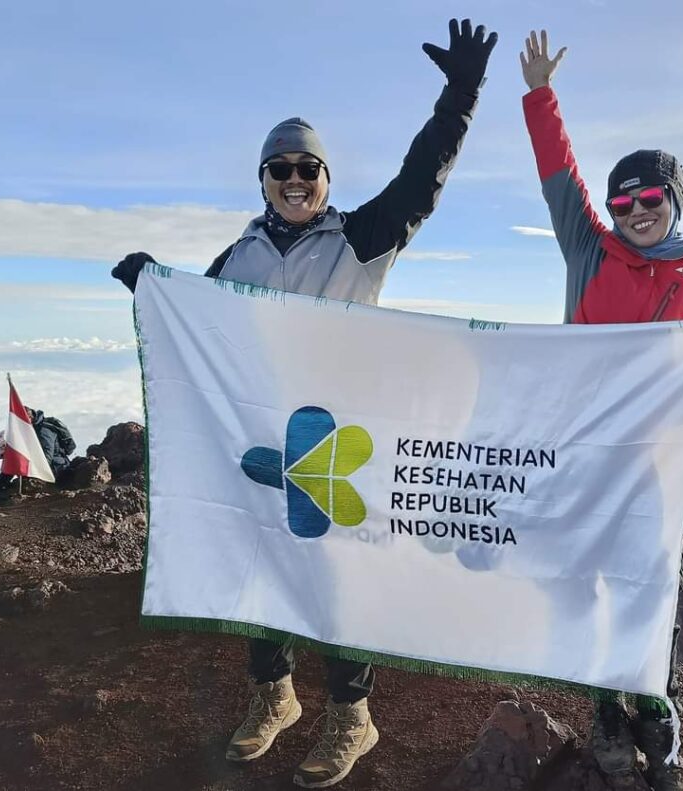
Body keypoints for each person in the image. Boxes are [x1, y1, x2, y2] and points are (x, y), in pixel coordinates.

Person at [112, 18, 497, 789]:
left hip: (336, 444)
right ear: (262, 179)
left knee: (335, 577)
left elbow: (421, 179)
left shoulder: (360, 238)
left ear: (326, 178)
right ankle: (274, 697)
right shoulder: (239, 255)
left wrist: (459, 97)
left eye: (308, 168)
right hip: (262, 442)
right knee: (261, 567)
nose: (294, 179)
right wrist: (155, 283)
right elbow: (203, 323)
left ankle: (354, 713)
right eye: (280, 168)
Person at [519, 30, 683, 791]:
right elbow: (558, 175)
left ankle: (661, 743)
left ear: (674, 202)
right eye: (622, 198)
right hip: (585, 458)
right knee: (588, 587)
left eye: (648, 199)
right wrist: (540, 95)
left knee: (650, 601)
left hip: (654, 472)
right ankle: (604, 714)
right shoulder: (589, 253)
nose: (632, 210)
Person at [0, 407, 74, 505]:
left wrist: (25, 463)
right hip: (46, 465)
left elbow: (45, 457)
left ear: (29, 418)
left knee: (15, 463)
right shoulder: (30, 429)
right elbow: (19, 451)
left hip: (56, 467)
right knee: (13, 463)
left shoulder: (44, 431)